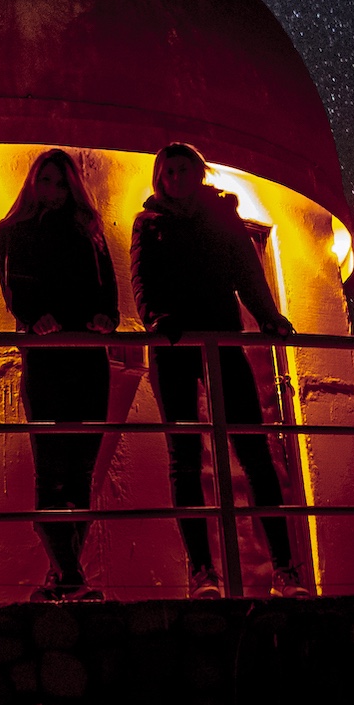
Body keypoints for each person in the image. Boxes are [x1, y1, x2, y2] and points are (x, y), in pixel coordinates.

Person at [131, 141, 306, 600]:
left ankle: (286, 570)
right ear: (159, 177)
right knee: (184, 460)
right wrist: (155, 319)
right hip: (172, 346)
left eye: (184, 170)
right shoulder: (148, 223)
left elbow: (247, 272)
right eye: (168, 171)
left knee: (255, 454)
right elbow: (142, 279)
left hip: (223, 342)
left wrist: (268, 316)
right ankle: (202, 572)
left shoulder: (222, 218)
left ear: (199, 173)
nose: (177, 178)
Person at [0, 148, 122, 601]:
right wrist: (34, 318)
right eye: (45, 181)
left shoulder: (90, 230)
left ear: (72, 186)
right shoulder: (13, 231)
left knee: (81, 472)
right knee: (51, 467)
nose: (51, 190)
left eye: (60, 182)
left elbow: (108, 288)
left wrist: (107, 318)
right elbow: (12, 286)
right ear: (33, 182)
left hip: (88, 355)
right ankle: (71, 576)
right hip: (47, 355)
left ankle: (62, 574)